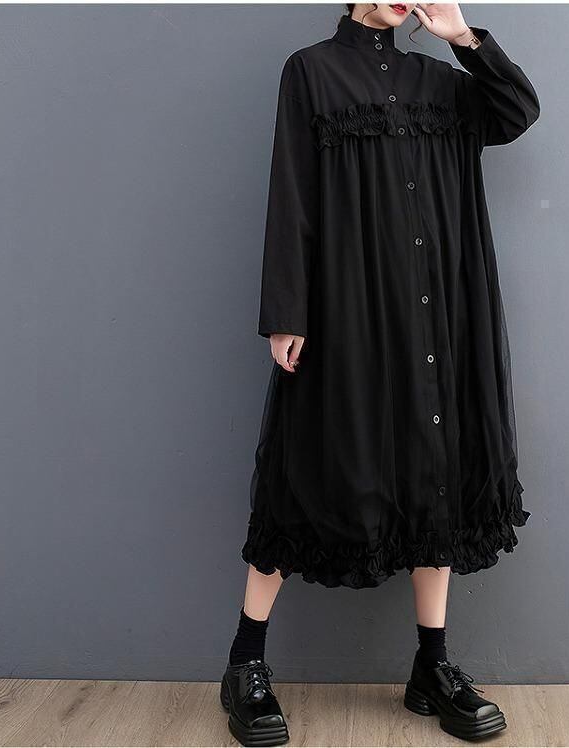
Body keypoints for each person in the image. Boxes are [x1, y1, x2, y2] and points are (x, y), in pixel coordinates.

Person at [220, 2, 540, 745]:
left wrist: (462, 37)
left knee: (437, 471)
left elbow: (516, 112)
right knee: (306, 469)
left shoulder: (442, 80)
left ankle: (432, 665)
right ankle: (244, 663)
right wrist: (286, 311)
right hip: (349, 309)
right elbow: (292, 189)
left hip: (438, 312)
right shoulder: (310, 71)